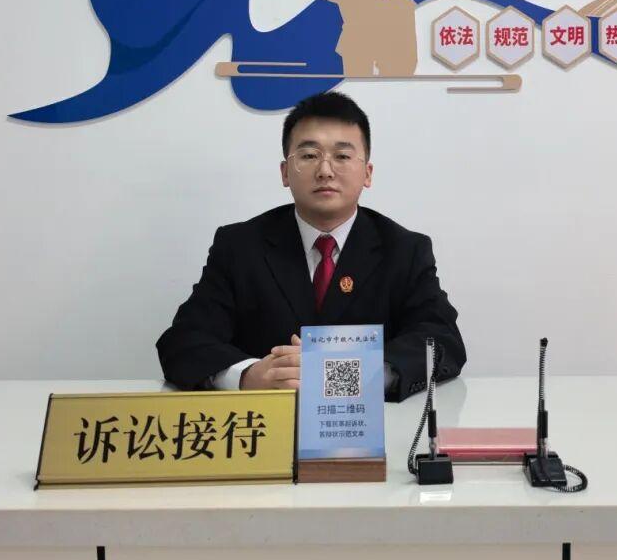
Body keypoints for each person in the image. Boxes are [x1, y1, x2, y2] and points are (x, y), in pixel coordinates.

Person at [156, 92, 466, 401]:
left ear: (367, 173)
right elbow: (184, 339)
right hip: (269, 420)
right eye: (308, 155)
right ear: (284, 172)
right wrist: (249, 375)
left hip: (368, 422)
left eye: (342, 156)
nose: (325, 171)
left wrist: (359, 375)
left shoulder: (404, 250)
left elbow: (442, 340)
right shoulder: (239, 246)